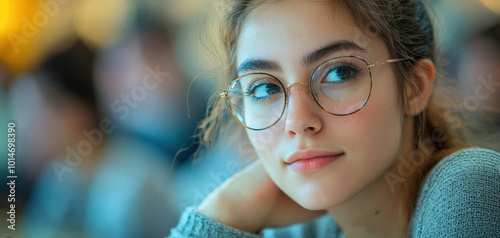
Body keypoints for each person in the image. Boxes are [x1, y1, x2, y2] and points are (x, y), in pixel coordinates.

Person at [169, 0, 500, 237]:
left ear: (414, 88)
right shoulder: (293, 230)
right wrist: (226, 210)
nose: (297, 121)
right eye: (264, 88)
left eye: (340, 73)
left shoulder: (468, 188)